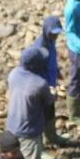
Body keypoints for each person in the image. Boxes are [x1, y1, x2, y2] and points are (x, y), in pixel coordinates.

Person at [5, 46, 52, 159]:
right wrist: (54, 93)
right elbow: (49, 101)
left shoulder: (14, 73)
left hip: (12, 125)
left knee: (14, 158)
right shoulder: (40, 83)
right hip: (29, 130)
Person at [33, 16, 66, 145]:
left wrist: (57, 73)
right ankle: (40, 145)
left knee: (50, 110)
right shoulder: (40, 47)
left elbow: (52, 61)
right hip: (43, 85)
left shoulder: (51, 42)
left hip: (51, 83)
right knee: (41, 115)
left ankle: (51, 136)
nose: (55, 35)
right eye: (53, 33)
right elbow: (35, 69)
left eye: (57, 33)